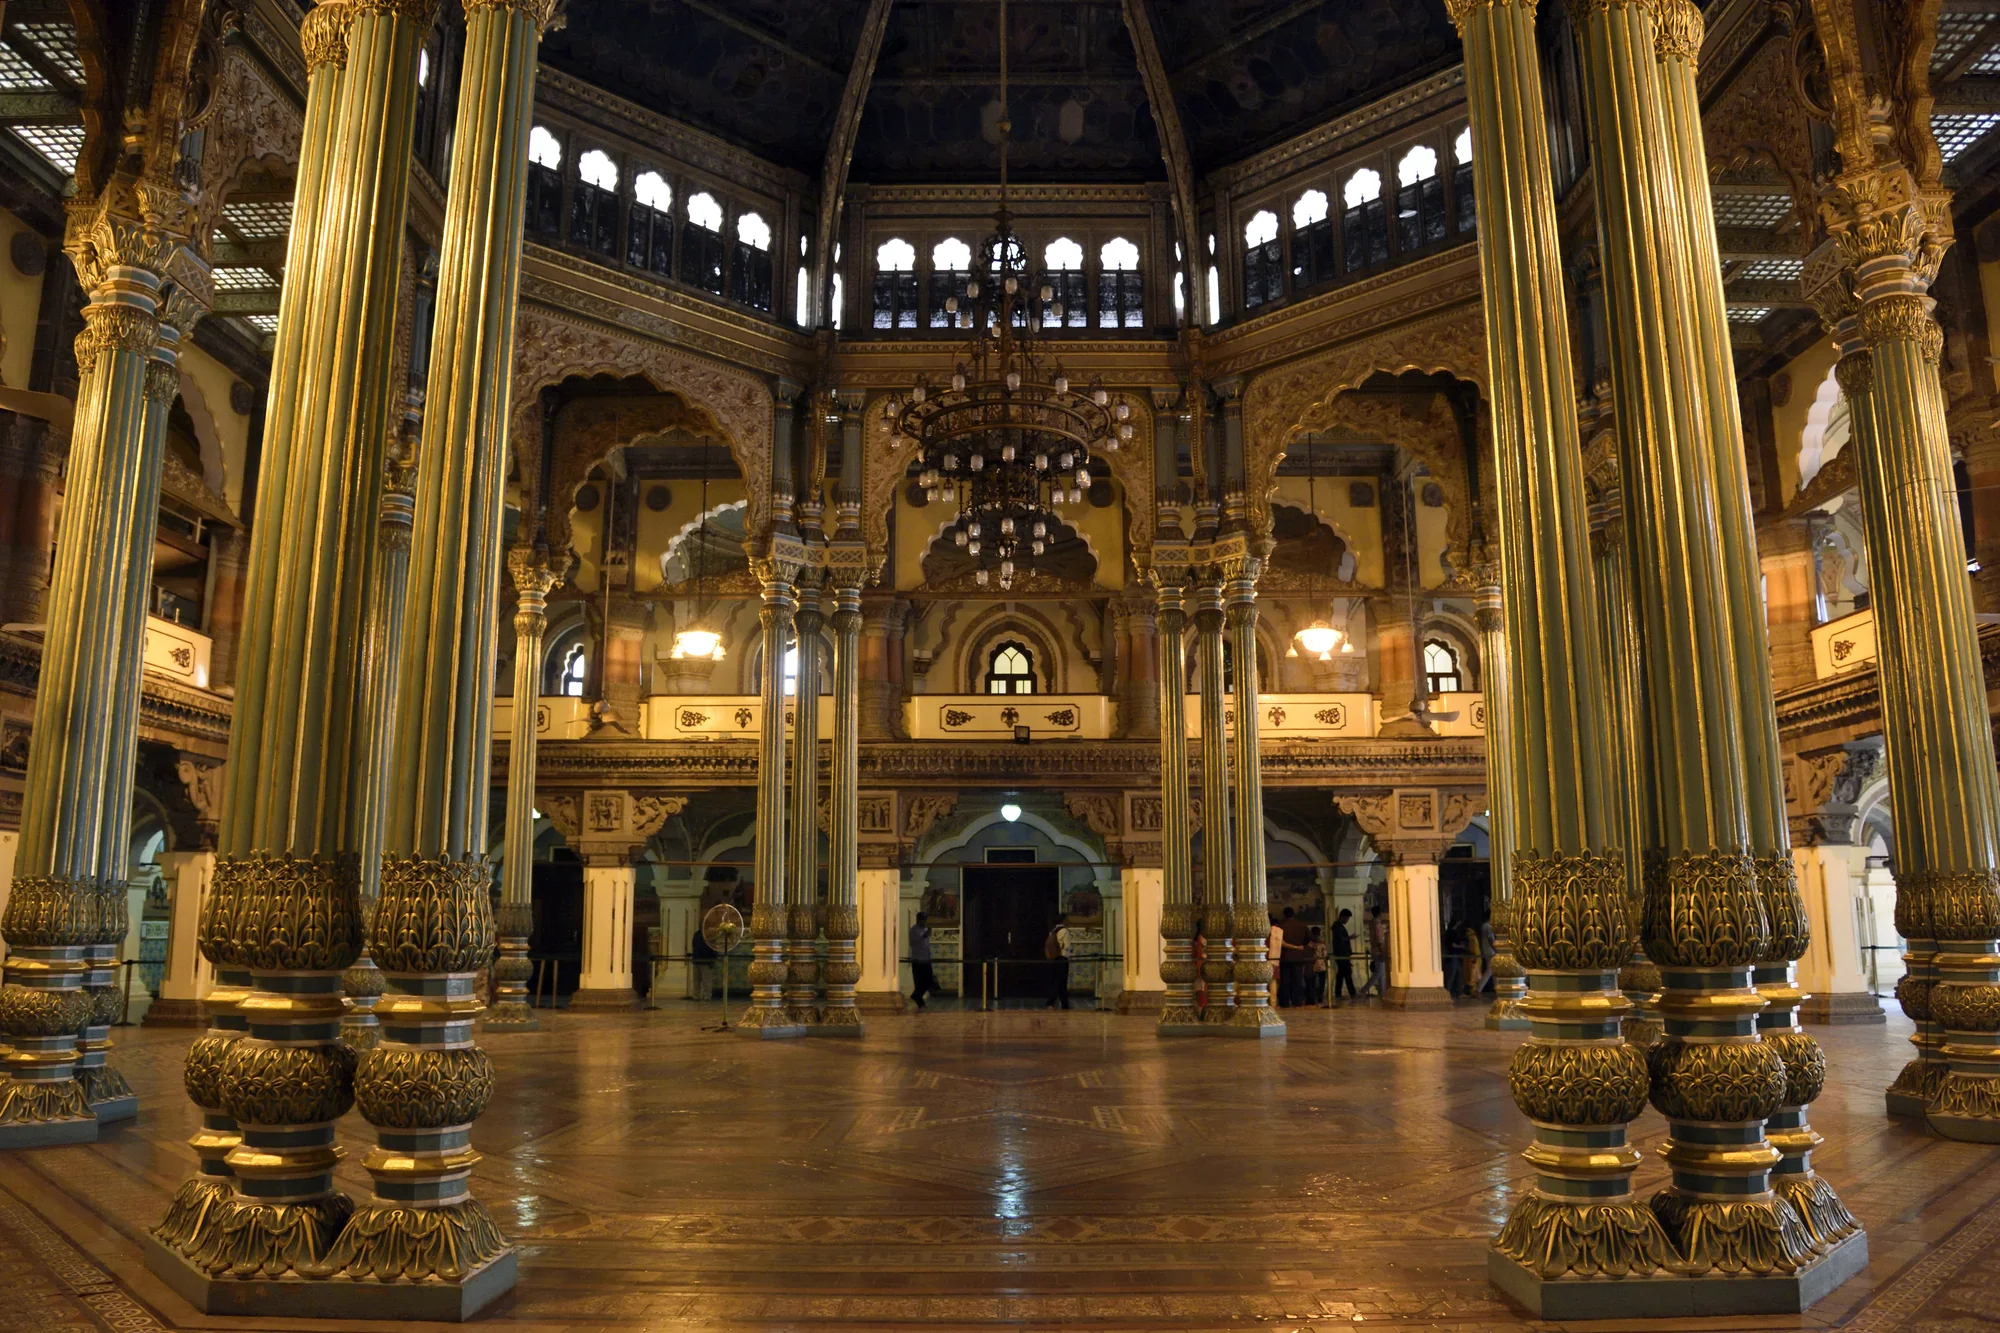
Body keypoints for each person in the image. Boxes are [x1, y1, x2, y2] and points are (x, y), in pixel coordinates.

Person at [1279, 907, 1309, 1008]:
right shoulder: (1302, 925)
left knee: (1285, 981)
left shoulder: (1281, 926)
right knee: (1297, 980)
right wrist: (1301, 946)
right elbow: (1309, 938)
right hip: (1298, 956)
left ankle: (1285, 1002)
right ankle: (1297, 1001)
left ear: (1284, 915)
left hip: (1285, 957)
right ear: (1294, 914)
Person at [909, 911, 938, 1011]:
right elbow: (916, 940)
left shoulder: (925, 929)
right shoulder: (914, 930)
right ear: (918, 920)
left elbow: (926, 945)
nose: (924, 922)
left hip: (926, 960)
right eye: (923, 920)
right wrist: (926, 934)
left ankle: (915, 996)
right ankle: (919, 1002)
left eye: (925, 919)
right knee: (919, 982)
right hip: (918, 961)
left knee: (929, 981)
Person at [1362, 905, 1389, 999]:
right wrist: (1382, 950)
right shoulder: (1377, 924)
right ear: (1380, 913)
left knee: (1381, 973)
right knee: (1378, 972)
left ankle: (1383, 993)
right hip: (1378, 950)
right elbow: (1379, 938)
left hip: (1375, 949)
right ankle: (1364, 989)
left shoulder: (1372, 923)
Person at [1329, 908, 1357, 1001]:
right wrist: (1350, 937)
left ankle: (1338, 993)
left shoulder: (1337, 926)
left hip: (1341, 953)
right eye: (1347, 918)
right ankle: (1352, 993)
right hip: (1342, 954)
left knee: (1341, 974)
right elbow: (1340, 939)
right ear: (1343, 917)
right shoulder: (1338, 927)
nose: (1347, 920)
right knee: (1347, 973)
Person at [1046, 918, 1073, 1010]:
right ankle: (1062, 1004)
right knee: (1062, 982)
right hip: (1062, 959)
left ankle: (1052, 1003)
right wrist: (1069, 953)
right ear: (1064, 920)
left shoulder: (1053, 931)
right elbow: (1068, 946)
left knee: (1056, 981)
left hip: (1054, 959)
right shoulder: (1065, 931)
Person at [1267, 915, 1287, 1006]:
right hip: (1274, 961)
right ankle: (1273, 1003)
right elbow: (1284, 944)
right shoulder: (1278, 932)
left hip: (1264, 959)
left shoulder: (1265, 932)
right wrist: (1297, 947)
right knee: (1273, 982)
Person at [1442, 916, 1464, 997]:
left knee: (1458, 973)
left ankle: (1458, 991)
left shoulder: (1452, 932)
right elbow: (1452, 944)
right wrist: (1461, 947)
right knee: (1452, 973)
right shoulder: (1452, 933)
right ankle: (1448, 990)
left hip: (1455, 955)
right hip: (1452, 955)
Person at [1307, 925, 1328, 1004]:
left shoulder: (1310, 944)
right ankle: (1320, 997)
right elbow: (1325, 954)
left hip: (1312, 964)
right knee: (1321, 983)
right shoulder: (1322, 943)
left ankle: (1312, 997)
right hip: (1322, 964)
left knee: (1312, 982)